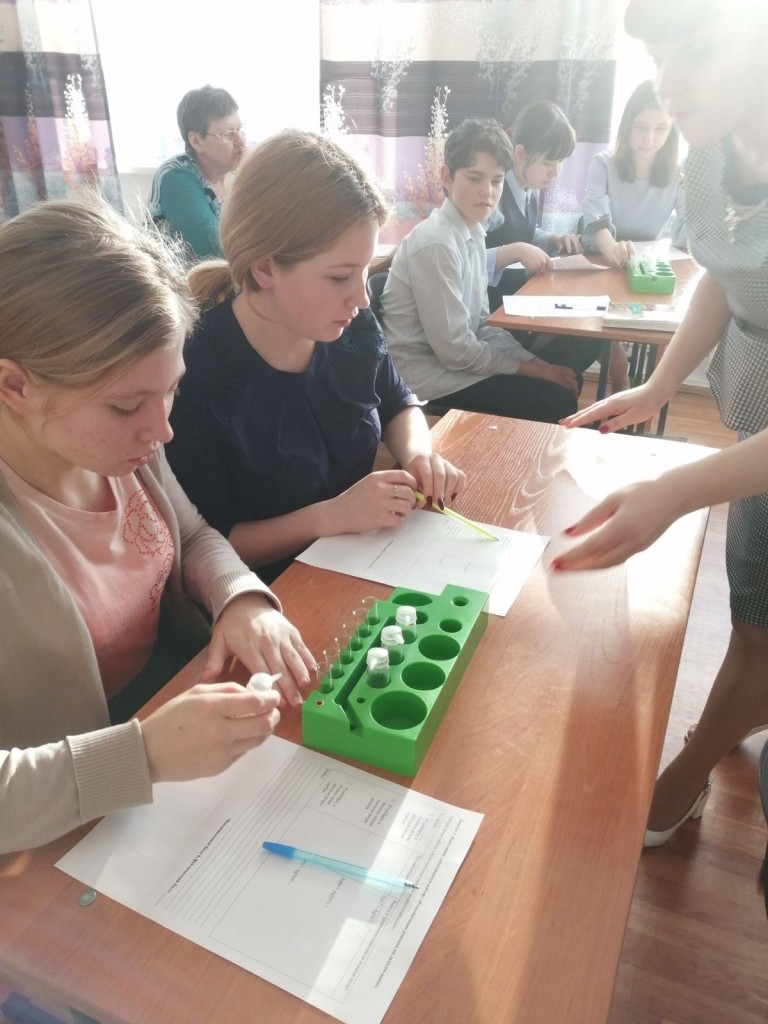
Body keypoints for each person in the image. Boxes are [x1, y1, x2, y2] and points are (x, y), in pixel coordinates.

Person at [0, 195, 316, 856]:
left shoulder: (124, 449)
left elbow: (192, 535)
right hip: (59, 824)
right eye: (126, 406)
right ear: (14, 386)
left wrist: (238, 598)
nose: (163, 429)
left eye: (171, 389)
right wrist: (140, 758)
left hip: (164, 720)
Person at [555, 0, 768, 849]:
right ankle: (736, 713)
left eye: (697, 54)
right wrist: (660, 387)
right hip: (754, 408)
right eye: (657, 59)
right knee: (753, 605)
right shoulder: (711, 149)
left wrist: (676, 492)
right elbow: (722, 270)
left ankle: (684, 777)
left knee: (762, 624)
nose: (669, 86)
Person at [165, 129, 466, 584]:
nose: (362, 298)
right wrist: (332, 516)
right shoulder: (198, 373)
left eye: (365, 271)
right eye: (340, 277)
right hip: (269, 593)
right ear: (265, 267)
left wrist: (419, 455)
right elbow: (206, 541)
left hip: (361, 562)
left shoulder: (350, 327)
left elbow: (396, 401)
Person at [379, 118, 579, 423]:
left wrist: (539, 364)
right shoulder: (437, 243)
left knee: (561, 377)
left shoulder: (473, 231)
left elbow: (482, 326)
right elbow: (455, 352)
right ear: (447, 177)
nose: (487, 192)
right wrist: (534, 370)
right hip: (427, 378)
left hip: (453, 363)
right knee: (555, 399)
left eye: (496, 181)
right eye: (474, 178)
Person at [483, 100, 602, 380]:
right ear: (520, 154)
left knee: (591, 336)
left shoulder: (528, 188)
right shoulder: (492, 194)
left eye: (561, 162)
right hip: (493, 313)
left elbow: (526, 231)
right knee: (582, 344)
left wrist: (554, 240)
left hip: (520, 301)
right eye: (548, 162)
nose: (556, 171)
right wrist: (515, 251)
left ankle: (542, 364)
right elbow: (463, 258)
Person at [581, 79, 686, 391]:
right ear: (626, 125)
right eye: (641, 127)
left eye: (661, 129)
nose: (649, 139)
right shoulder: (602, 164)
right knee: (607, 328)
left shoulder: (678, 173)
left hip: (645, 267)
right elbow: (596, 222)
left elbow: (688, 234)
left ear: (672, 131)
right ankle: (622, 382)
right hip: (602, 260)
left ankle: (639, 391)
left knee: (661, 326)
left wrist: (698, 194)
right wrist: (615, 250)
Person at [148, 85, 246, 262]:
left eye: (240, 130)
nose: (241, 141)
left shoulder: (230, 177)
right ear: (196, 141)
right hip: (177, 278)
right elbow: (213, 248)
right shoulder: (176, 177)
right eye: (229, 134)